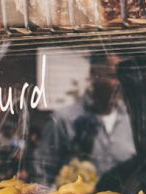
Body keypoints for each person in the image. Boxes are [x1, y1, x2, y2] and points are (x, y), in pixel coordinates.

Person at [30, 53, 136, 186]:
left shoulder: (132, 121)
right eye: (113, 76)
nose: (119, 84)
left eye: (123, 78)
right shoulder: (64, 120)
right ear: (94, 73)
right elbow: (42, 175)